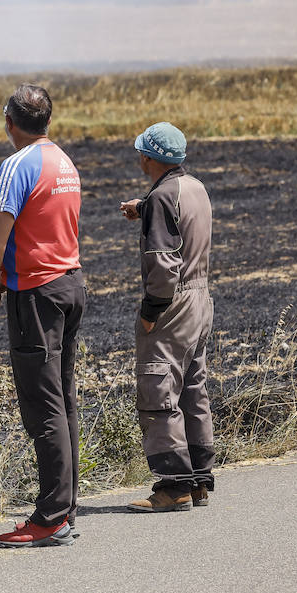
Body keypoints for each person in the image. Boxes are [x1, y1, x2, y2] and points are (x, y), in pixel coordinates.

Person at [0, 84, 85, 547]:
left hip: (37, 294)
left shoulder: (16, 165)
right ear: (48, 122)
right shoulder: (64, 162)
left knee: (44, 406)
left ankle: (52, 515)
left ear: (9, 121)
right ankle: (66, 507)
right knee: (64, 399)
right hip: (70, 284)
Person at [118, 122, 215, 512]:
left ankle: (173, 487)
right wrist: (142, 208)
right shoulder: (195, 187)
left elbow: (162, 264)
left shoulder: (160, 198)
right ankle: (199, 483)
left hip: (172, 305)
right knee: (193, 390)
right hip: (200, 300)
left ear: (148, 157)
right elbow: (181, 219)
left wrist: (150, 312)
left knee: (159, 393)